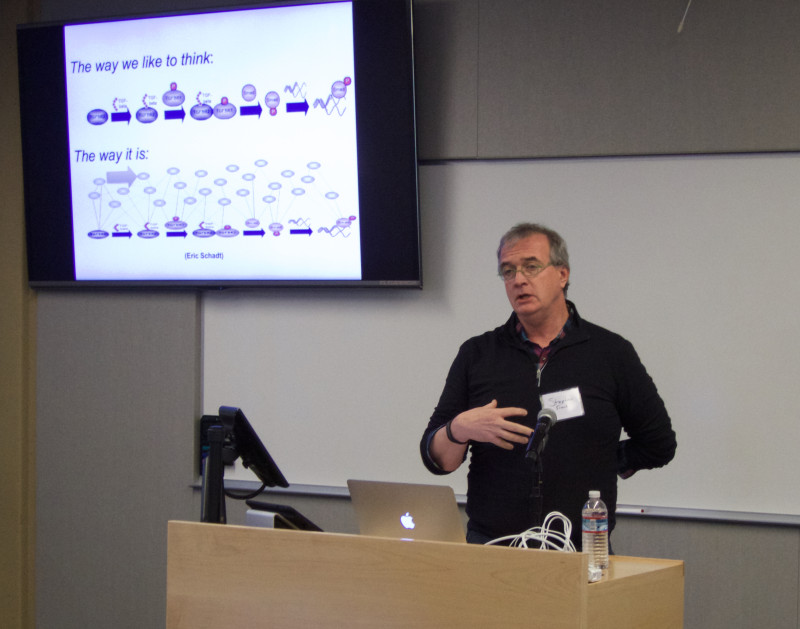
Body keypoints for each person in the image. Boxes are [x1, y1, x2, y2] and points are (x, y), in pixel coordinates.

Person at [420, 222, 676, 547]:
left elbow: (659, 443)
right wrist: (458, 428)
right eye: (508, 271)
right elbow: (436, 459)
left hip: (580, 548)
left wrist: (602, 460)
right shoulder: (478, 354)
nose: (519, 280)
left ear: (562, 275)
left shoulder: (609, 353)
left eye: (531, 267)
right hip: (492, 547)